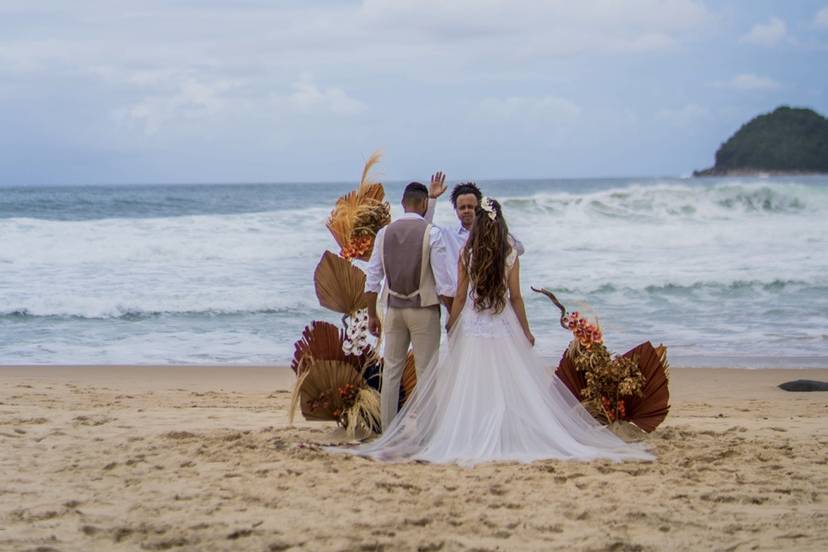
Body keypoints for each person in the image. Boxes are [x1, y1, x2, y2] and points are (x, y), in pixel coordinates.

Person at [330, 198, 653, 465]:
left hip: (472, 323)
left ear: (481, 223)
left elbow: (459, 294)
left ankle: (467, 432)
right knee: (507, 380)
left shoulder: (468, 253)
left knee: (473, 381)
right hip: (502, 323)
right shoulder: (510, 252)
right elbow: (515, 297)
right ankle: (505, 432)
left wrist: (453, 322)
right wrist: (525, 331)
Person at [363, 182, 454, 431]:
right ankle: (425, 433)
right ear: (424, 204)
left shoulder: (385, 233)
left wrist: (372, 314)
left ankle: (388, 430)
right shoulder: (431, 233)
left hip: (393, 311)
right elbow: (445, 283)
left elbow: (372, 279)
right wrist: (452, 312)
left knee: (392, 371)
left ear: (403, 203)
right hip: (424, 311)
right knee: (426, 373)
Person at [424, 176, 524, 297]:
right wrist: (432, 199)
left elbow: (519, 249)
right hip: (458, 300)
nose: (466, 210)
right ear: (455, 210)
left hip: (490, 299)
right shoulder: (447, 235)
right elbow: (424, 228)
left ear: (479, 207)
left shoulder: (494, 235)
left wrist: (497, 228)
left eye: (471, 207)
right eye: (462, 207)